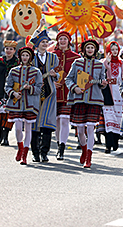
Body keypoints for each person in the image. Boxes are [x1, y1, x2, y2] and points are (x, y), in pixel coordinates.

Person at [65, 39, 107, 168]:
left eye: (92, 47)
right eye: (87, 47)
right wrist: (74, 87)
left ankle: (89, 157)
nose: (90, 49)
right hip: (79, 99)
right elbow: (68, 78)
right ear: (83, 50)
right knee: (80, 130)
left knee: (90, 128)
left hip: (94, 100)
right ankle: (84, 150)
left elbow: (103, 82)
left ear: (95, 50)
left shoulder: (100, 65)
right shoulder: (77, 63)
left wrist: (103, 83)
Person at [4, 47, 43, 165]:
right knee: (17, 128)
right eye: (23, 55)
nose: (25, 58)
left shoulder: (36, 71)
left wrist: (29, 88)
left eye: (27, 55)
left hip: (30, 104)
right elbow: (7, 86)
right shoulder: (13, 71)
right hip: (16, 104)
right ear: (20, 57)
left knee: (28, 128)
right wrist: (14, 93)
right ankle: (20, 147)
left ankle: (25, 155)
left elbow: (39, 88)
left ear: (30, 57)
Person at [30, 28, 59, 163]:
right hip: (34, 93)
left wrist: (55, 75)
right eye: (42, 42)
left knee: (47, 123)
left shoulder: (53, 57)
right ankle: (35, 153)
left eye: (46, 42)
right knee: (34, 123)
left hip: (49, 93)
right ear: (37, 44)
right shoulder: (31, 57)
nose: (45, 44)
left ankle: (44, 152)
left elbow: (57, 75)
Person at [53, 31, 80, 160]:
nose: (62, 41)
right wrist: (52, 83)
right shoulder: (52, 56)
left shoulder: (75, 57)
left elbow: (79, 75)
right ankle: (59, 144)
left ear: (69, 41)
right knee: (57, 122)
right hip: (54, 93)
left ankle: (62, 148)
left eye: (65, 39)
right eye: (60, 39)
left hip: (68, 94)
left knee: (64, 120)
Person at [102, 41, 123, 153]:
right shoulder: (104, 63)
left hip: (119, 93)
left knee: (118, 118)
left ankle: (115, 142)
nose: (114, 51)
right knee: (108, 118)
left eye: (116, 49)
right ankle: (108, 144)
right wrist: (107, 63)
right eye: (112, 49)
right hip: (108, 93)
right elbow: (101, 74)